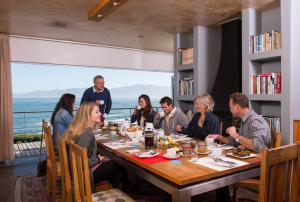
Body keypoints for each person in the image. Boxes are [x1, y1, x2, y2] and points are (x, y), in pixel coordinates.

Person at [64, 102, 130, 188]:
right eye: (97, 112)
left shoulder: (78, 130)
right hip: (85, 176)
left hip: (76, 173)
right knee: (120, 163)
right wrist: (98, 159)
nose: (100, 113)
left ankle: (118, 188)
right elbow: (80, 162)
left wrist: (96, 158)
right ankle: (120, 189)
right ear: (87, 115)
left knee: (113, 162)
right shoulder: (86, 133)